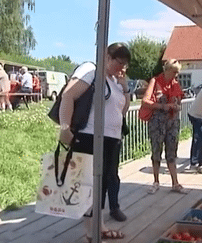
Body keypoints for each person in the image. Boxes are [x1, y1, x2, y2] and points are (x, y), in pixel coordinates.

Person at [59, 43, 130, 239]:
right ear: (107, 57)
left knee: (103, 184)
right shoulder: (91, 71)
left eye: (125, 65)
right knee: (89, 184)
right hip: (91, 136)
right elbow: (68, 95)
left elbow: (121, 111)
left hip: (111, 139)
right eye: (120, 63)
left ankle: (98, 225)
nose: (122, 68)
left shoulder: (114, 80)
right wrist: (65, 127)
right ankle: (91, 230)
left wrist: (124, 88)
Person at [142, 59, 186, 194]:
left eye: (177, 72)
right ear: (167, 70)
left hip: (172, 122)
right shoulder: (155, 82)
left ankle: (175, 183)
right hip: (157, 122)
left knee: (172, 152)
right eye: (174, 72)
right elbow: (145, 101)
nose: (176, 75)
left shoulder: (176, 84)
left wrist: (176, 106)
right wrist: (163, 106)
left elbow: (179, 101)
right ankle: (156, 181)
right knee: (156, 151)